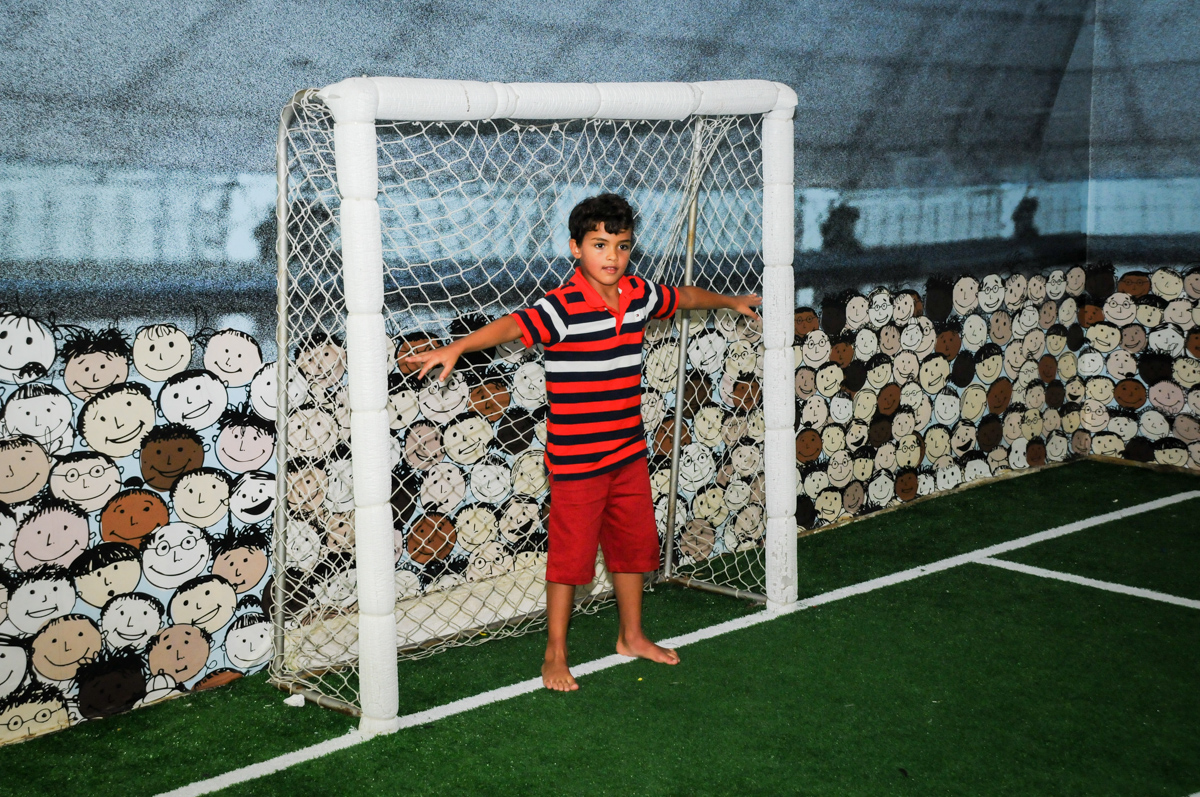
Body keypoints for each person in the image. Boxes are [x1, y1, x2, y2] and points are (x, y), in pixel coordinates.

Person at [408, 193, 761, 691]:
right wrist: (460, 345)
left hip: (628, 453)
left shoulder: (638, 294)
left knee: (635, 547)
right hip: (577, 462)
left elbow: (681, 297)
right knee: (571, 560)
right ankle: (555, 652)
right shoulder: (562, 306)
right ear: (575, 248)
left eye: (621, 246)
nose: (612, 256)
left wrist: (730, 302)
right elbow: (514, 324)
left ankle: (632, 635)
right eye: (599, 245)